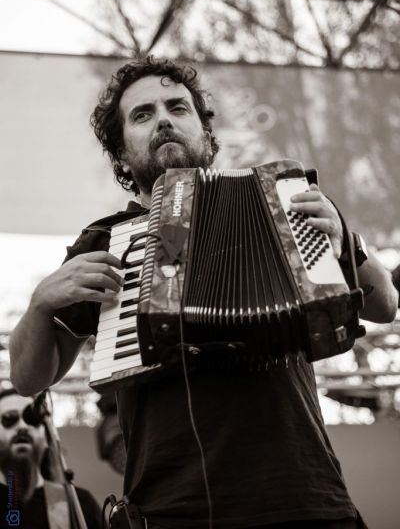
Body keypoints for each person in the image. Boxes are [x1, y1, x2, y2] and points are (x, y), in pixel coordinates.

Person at [9, 57, 398, 529]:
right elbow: (29, 378)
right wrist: (40, 304)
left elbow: (385, 305)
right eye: (143, 114)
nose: (164, 120)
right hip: (171, 508)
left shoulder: (289, 205)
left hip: (305, 495)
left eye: (177, 107)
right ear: (122, 156)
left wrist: (347, 240)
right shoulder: (103, 244)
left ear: (206, 136)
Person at [0, 388, 102, 529]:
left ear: (47, 438)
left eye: (32, 420)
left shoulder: (80, 504)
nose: (23, 426)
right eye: (9, 418)